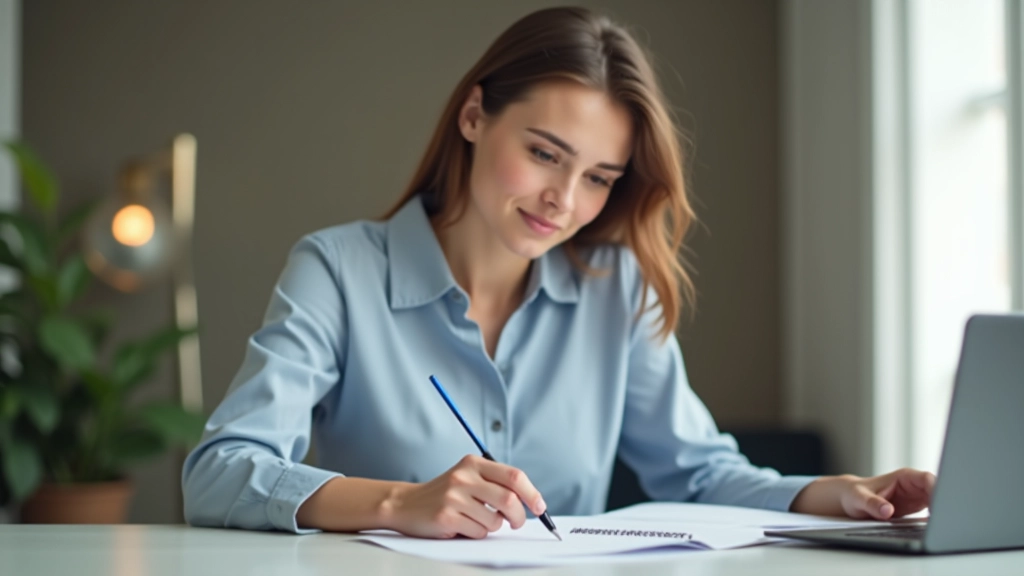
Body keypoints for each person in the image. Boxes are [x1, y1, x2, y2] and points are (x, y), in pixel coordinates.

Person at [182, 6, 934, 538]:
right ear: (474, 116)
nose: (564, 201)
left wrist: (835, 493)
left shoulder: (619, 290)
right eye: (544, 153)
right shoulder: (338, 269)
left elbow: (700, 475)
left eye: (601, 177)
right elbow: (220, 470)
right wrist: (399, 503)